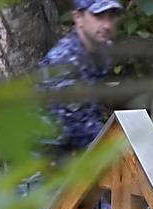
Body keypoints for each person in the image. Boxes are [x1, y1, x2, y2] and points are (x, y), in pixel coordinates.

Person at [38, 0, 124, 157]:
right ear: (78, 18)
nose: (107, 25)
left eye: (111, 17)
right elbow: (74, 124)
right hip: (46, 160)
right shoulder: (63, 61)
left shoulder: (104, 50)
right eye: (98, 16)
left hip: (80, 149)